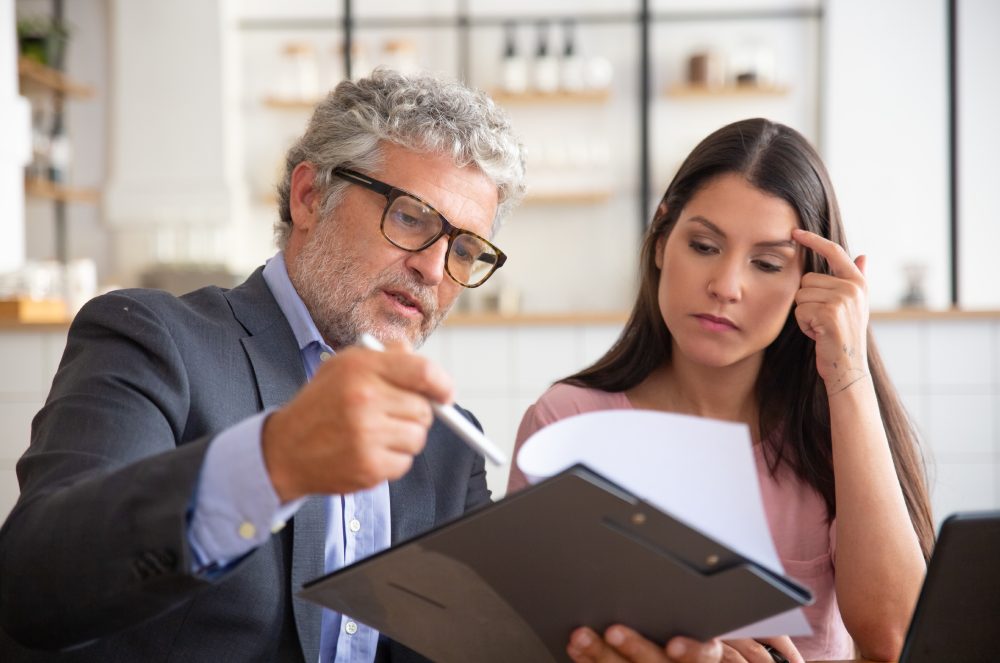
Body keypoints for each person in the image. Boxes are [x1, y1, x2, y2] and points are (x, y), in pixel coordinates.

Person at [0, 69, 722, 663]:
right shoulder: (158, 340)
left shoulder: (445, 442)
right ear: (309, 195)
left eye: (465, 249)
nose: (435, 269)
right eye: (411, 217)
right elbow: (32, 586)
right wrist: (274, 460)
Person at [509, 118, 935, 663]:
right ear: (662, 240)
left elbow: (896, 641)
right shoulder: (564, 422)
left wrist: (848, 372)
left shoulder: (832, 430)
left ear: (810, 282)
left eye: (767, 263)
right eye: (705, 245)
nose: (726, 286)